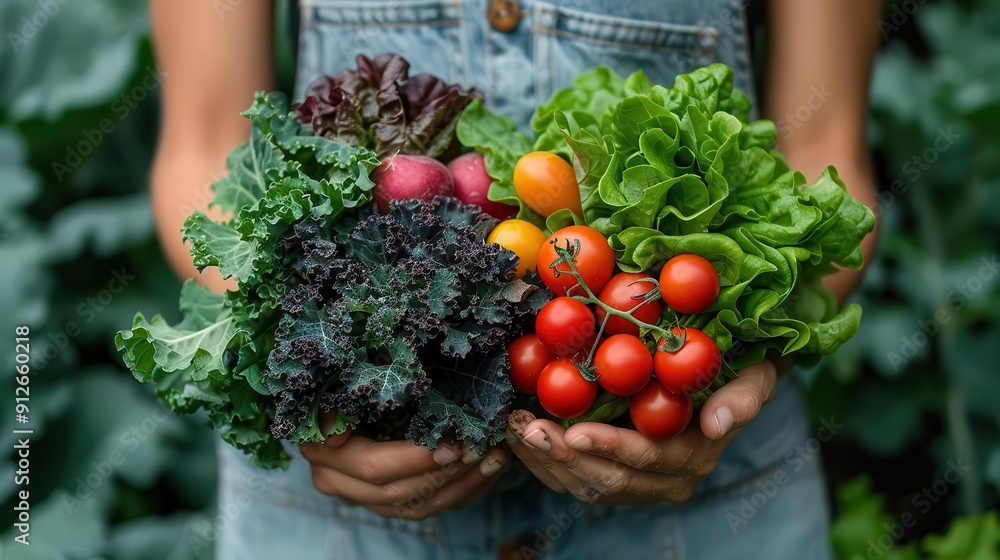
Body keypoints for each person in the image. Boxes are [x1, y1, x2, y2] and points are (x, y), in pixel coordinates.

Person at [150, 0, 880, 557]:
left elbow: (825, 153)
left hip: (709, 512)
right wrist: (319, 374)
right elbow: (206, 143)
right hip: (334, 521)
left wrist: (744, 358)